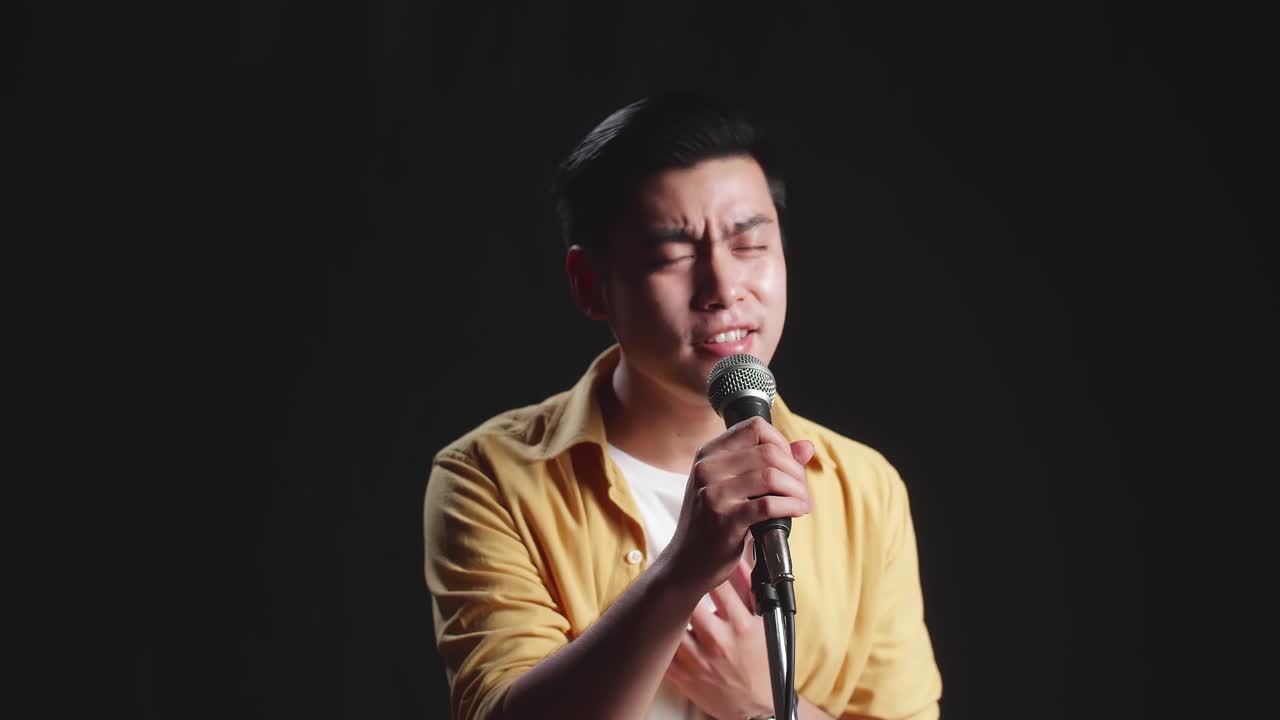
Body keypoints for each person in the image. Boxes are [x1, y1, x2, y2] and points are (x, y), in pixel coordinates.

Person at [423, 94, 942, 720]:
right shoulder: (489, 476)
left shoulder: (865, 488)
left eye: (750, 246)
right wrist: (679, 572)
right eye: (672, 255)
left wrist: (766, 703)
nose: (723, 289)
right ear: (591, 284)